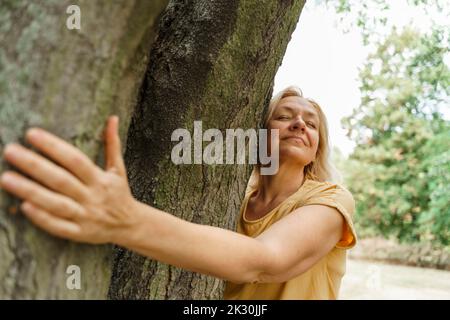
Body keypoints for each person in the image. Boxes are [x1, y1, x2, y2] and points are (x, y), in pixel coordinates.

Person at [0, 85, 356, 300]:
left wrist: (123, 220)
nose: (299, 124)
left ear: (317, 146)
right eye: (285, 117)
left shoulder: (330, 201)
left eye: (311, 123)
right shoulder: (233, 199)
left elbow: (264, 262)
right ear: (259, 135)